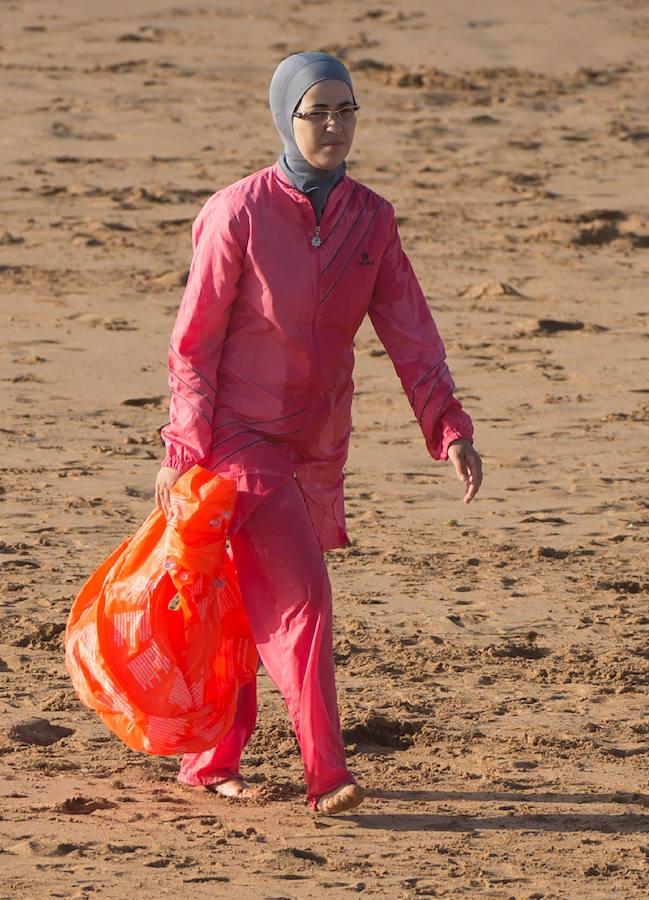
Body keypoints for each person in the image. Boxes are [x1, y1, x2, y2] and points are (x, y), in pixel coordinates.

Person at [154, 51, 483, 816]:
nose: (332, 126)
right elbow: (192, 343)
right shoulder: (236, 212)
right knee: (304, 598)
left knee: (242, 599)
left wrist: (449, 427)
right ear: (284, 117)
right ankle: (326, 772)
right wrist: (184, 448)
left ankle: (210, 762)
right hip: (238, 438)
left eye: (345, 111)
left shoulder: (371, 218)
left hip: (317, 444)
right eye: (315, 112)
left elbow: (410, 333)